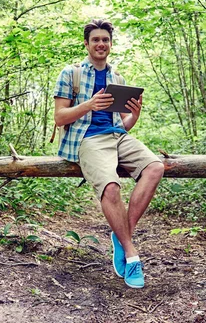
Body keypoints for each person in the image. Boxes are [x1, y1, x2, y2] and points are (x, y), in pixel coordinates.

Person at [53, 19, 164, 289]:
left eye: (105, 40)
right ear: (87, 44)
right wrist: (89, 104)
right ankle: (131, 253)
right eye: (95, 40)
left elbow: (122, 124)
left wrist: (134, 116)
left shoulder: (118, 79)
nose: (100, 44)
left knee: (155, 167)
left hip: (118, 136)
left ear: (110, 44)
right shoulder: (72, 74)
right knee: (111, 188)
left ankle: (120, 232)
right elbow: (59, 117)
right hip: (88, 139)